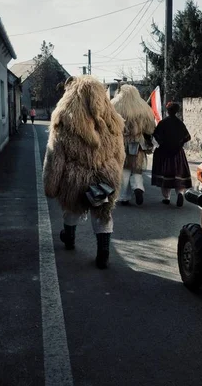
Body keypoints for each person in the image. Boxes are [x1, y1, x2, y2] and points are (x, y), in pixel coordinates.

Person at [43, 75, 125, 269]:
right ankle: (103, 251)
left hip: (75, 178)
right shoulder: (113, 122)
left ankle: (69, 239)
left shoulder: (63, 122)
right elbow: (119, 154)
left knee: (71, 208)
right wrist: (116, 174)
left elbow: (55, 157)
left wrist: (51, 185)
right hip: (105, 177)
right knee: (103, 213)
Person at [111, 84, 156, 206]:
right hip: (138, 143)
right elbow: (150, 127)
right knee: (136, 168)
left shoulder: (114, 104)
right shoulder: (143, 106)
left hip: (120, 143)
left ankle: (124, 197)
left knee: (124, 169)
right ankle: (138, 187)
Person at [151, 102, 192, 207]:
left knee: (166, 176)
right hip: (178, 153)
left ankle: (166, 198)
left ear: (168, 111)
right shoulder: (180, 123)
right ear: (177, 111)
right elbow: (187, 137)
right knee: (179, 175)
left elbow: (155, 136)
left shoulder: (163, 123)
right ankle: (180, 194)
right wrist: (179, 143)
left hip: (164, 153)